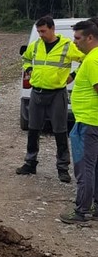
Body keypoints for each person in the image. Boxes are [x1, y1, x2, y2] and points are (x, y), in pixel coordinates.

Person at [16, 15, 84, 183]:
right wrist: (29, 68)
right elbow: (25, 58)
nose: (40, 34)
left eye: (43, 31)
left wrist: (74, 75)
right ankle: (30, 163)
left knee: (60, 131)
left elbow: (85, 59)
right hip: (37, 92)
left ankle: (63, 168)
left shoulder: (67, 46)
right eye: (38, 31)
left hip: (57, 94)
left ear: (52, 29)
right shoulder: (36, 45)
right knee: (33, 130)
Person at [60, 19, 98, 224]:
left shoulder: (92, 60)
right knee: (94, 166)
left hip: (88, 122)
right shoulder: (92, 57)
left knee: (84, 168)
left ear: (90, 37)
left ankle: (81, 210)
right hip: (92, 121)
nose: (74, 42)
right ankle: (95, 205)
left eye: (77, 37)